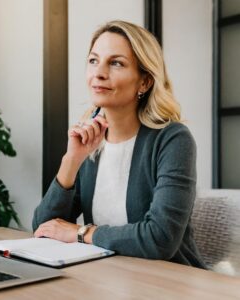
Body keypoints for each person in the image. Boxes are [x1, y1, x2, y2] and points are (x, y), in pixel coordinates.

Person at [32, 20, 206, 268]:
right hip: (110, 277)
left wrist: (81, 233)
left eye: (116, 63)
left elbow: (160, 238)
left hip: (168, 282)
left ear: (144, 82)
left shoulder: (173, 139)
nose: (99, 73)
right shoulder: (89, 139)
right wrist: (72, 161)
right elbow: (43, 227)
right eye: (93, 60)